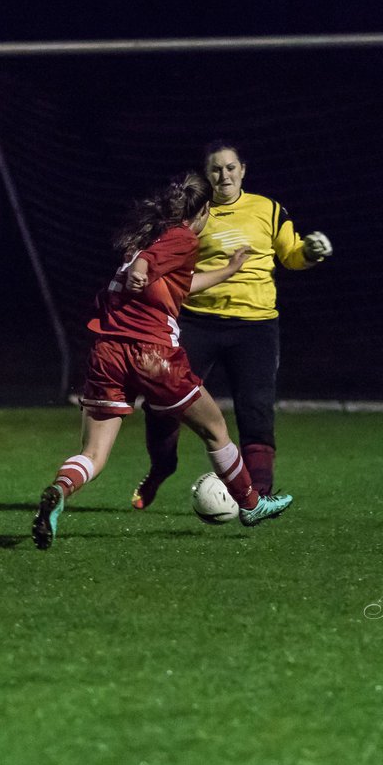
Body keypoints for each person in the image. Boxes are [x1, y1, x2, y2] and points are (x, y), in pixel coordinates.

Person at [32, 171, 295, 550]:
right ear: (202, 211)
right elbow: (149, 266)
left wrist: (228, 270)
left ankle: (60, 490)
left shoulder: (147, 236)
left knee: (93, 453)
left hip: (107, 351)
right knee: (215, 429)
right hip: (153, 355)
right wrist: (141, 273)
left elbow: (176, 285)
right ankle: (251, 505)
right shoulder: (183, 237)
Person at [132, 141, 333, 509]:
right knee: (163, 401)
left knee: (255, 408)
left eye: (230, 168)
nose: (223, 175)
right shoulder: (195, 214)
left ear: (243, 170)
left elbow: (290, 255)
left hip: (255, 327)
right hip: (197, 322)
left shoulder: (268, 209)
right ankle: (162, 467)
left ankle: (259, 495)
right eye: (215, 169)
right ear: (206, 175)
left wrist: (309, 253)